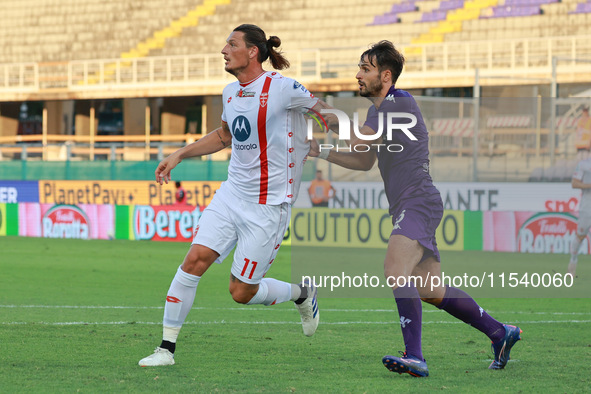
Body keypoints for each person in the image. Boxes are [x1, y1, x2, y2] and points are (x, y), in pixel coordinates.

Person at [309, 41, 522, 377]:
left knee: (395, 268)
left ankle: (416, 357)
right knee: (430, 290)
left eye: (365, 68)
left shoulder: (399, 101)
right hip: (412, 202)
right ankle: (500, 332)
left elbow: (361, 140)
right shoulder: (377, 112)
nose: (358, 75)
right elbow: (364, 160)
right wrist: (321, 153)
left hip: (417, 200)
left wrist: (322, 112)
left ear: (386, 74)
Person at [138, 24, 323, 367]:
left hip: (267, 207)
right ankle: (166, 349)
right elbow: (225, 137)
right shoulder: (230, 93)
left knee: (241, 292)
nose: (223, 49)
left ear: (253, 51)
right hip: (231, 195)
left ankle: (302, 293)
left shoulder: (282, 88)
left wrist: (327, 141)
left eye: (231, 44)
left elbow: (322, 113)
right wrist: (180, 153)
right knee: (193, 261)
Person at [568, 157, 591, 277]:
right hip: (587, 207)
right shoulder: (584, 164)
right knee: (581, 236)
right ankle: (573, 260)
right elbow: (574, 183)